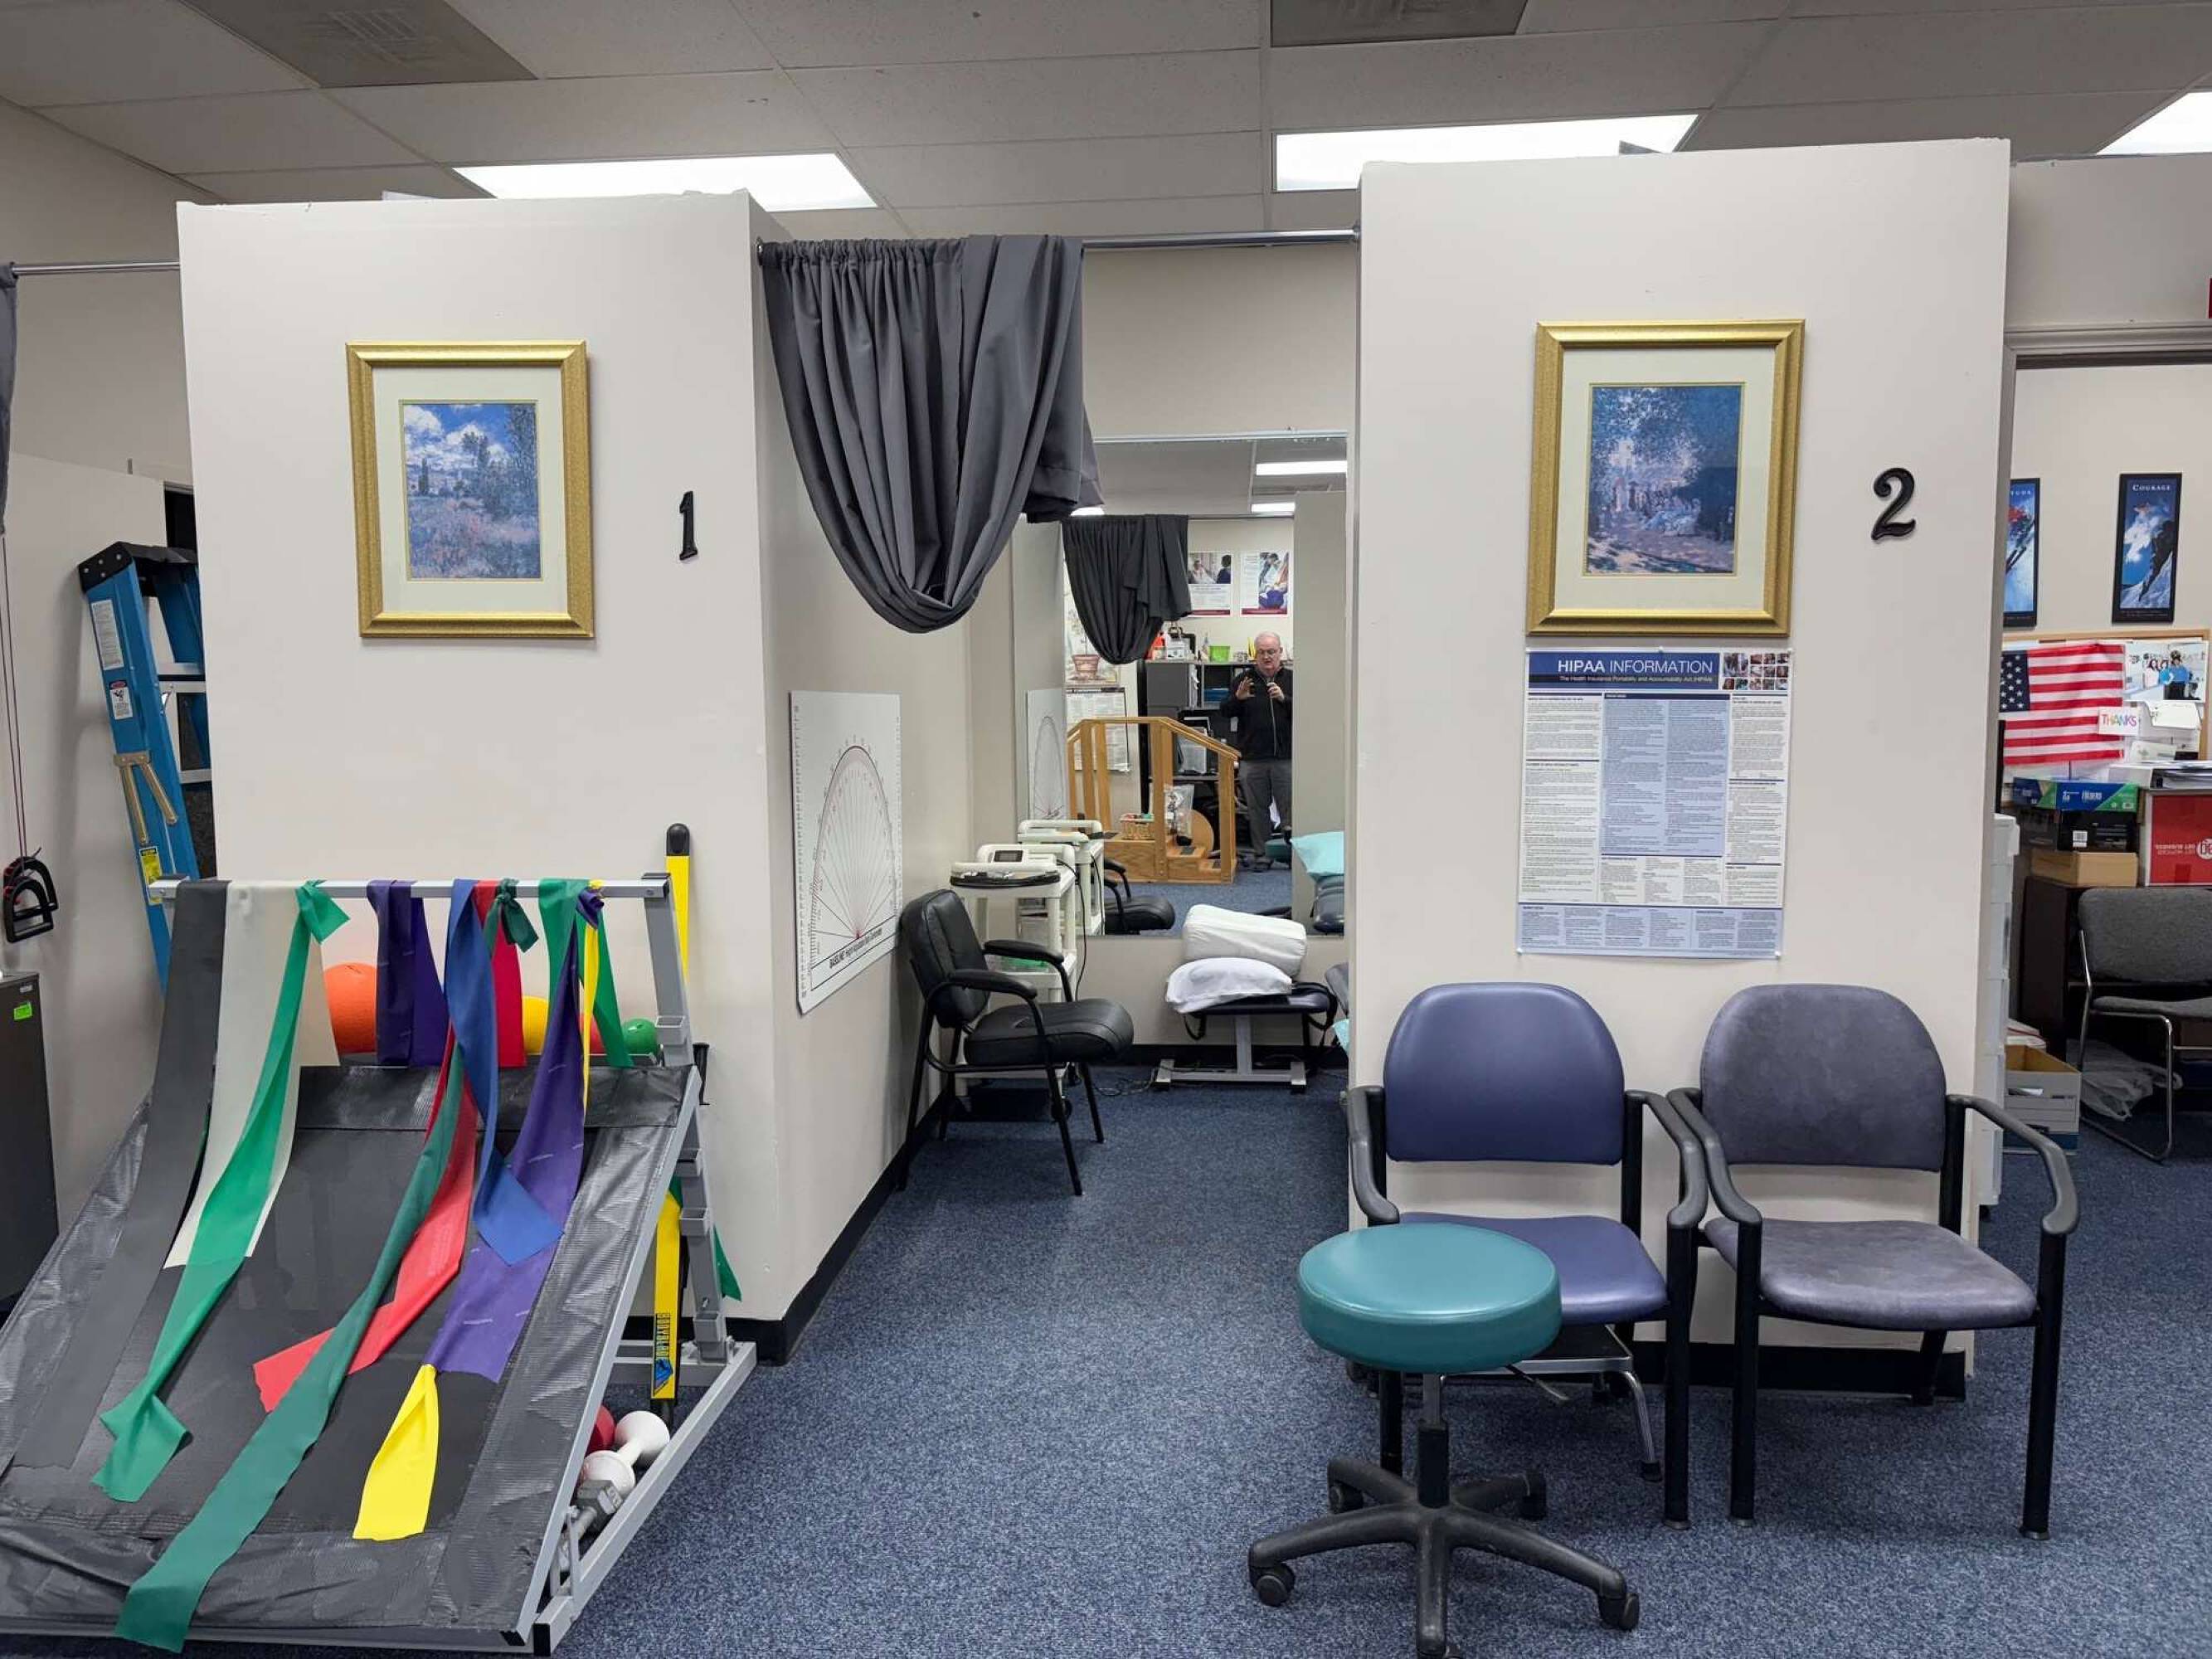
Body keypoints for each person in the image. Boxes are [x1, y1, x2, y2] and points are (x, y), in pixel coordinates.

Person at [1229, 633, 1292, 869]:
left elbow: (1310, 712)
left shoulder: (1293, 679)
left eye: (1271, 651)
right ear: (1255, 655)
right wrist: (1238, 699)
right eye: (1262, 652)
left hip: (1286, 758)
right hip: (1253, 759)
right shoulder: (1243, 680)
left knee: (1291, 810)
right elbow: (1225, 711)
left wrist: (1285, 699)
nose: (1267, 657)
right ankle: (1263, 855)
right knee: (1257, 810)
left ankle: (1292, 855)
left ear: (1280, 652)